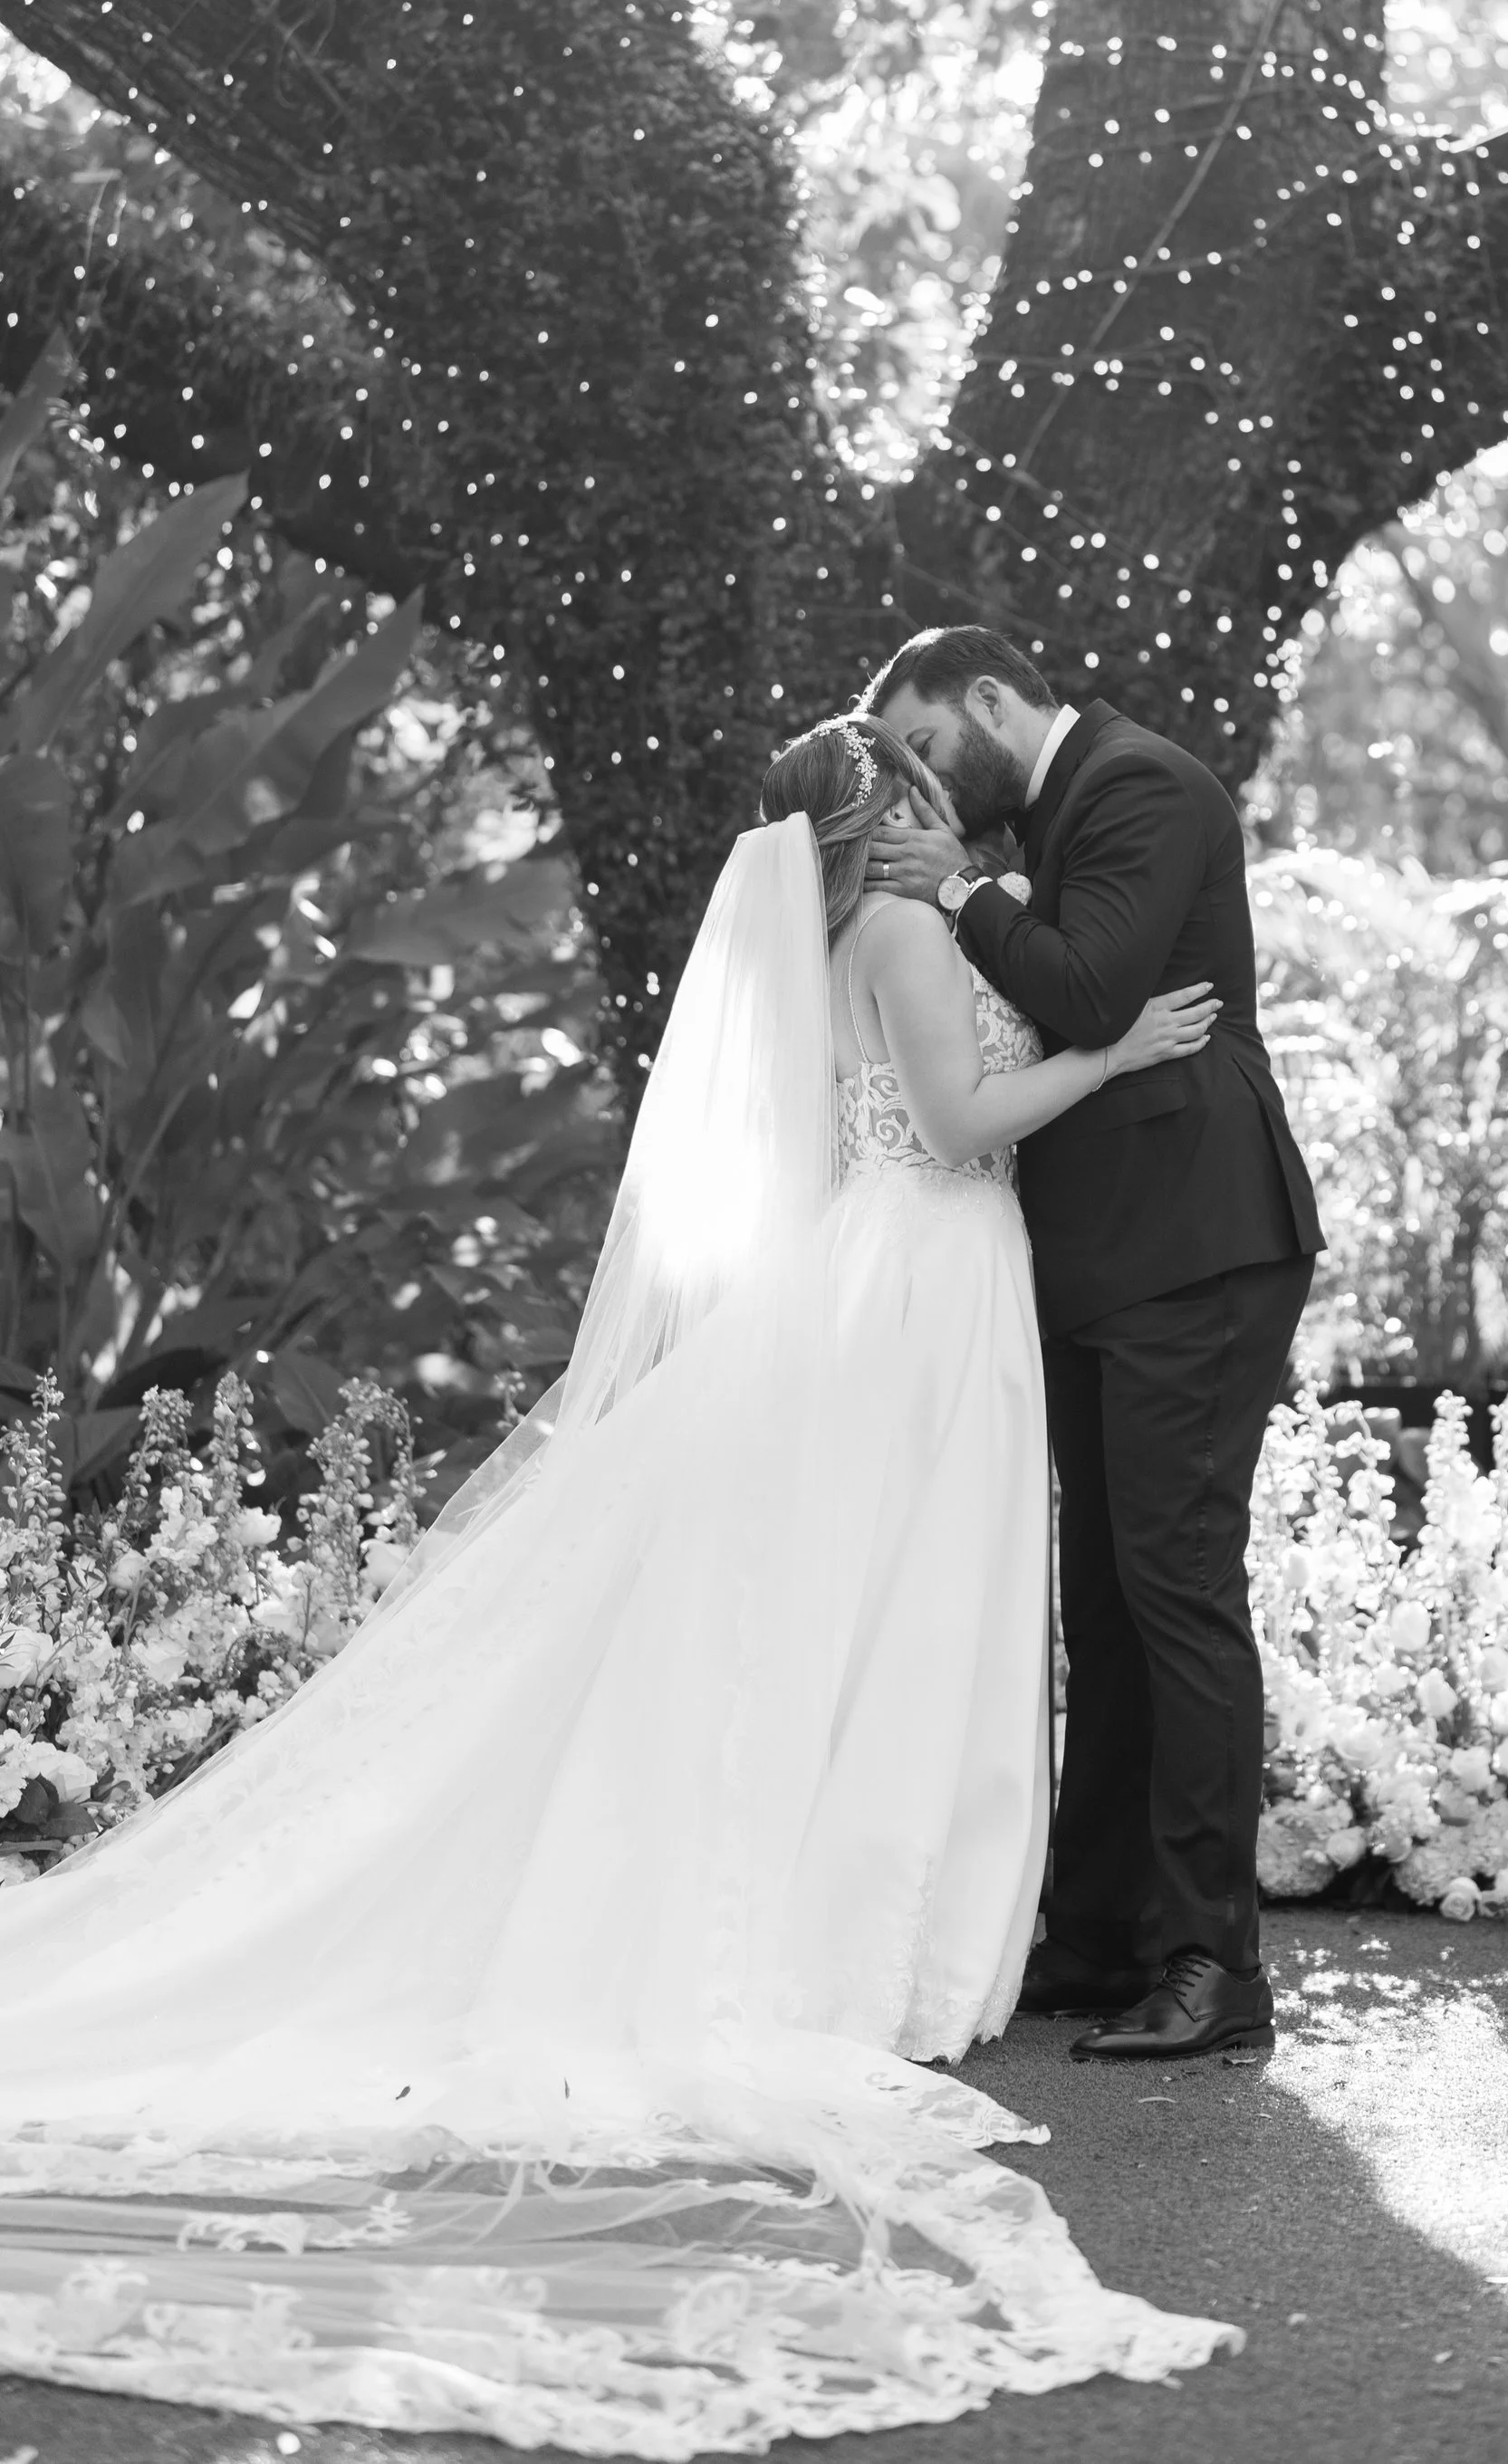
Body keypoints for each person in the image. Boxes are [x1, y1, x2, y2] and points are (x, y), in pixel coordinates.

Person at [0, 717, 1236, 2456]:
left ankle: (909, 1917)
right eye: (911, 787)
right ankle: (890, 1937)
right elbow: (958, 1123)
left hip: (906, 1283)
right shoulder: (899, 926)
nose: (939, 803)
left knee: (884, 1613)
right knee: (912, 1619)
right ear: (878, 815)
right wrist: (1114, 1059)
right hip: (927, 1273)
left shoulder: (868, 924)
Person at [864, 628, 1322, 2063]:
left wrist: (959, 889)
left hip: (1196, 1242)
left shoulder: (1144, 786)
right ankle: (1103, 1933)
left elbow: (1095, 990)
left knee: (1175, 1592)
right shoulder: (1053, 818)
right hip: (1098, 1262)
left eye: (932, 747)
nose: (928, 790)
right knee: (1108, 1605)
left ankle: (1210, 1962)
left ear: (991, 700)